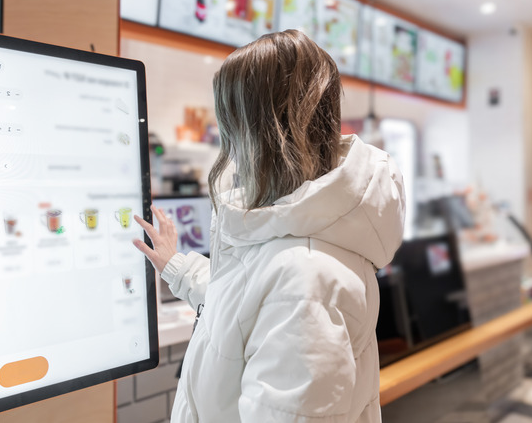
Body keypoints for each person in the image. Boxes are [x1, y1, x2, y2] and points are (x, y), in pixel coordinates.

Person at [133, 29, 405, 423]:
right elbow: (248, 305)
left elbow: (280, 296)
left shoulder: (305, 277)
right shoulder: (296, 231)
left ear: (259, 132)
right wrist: (177, 266)